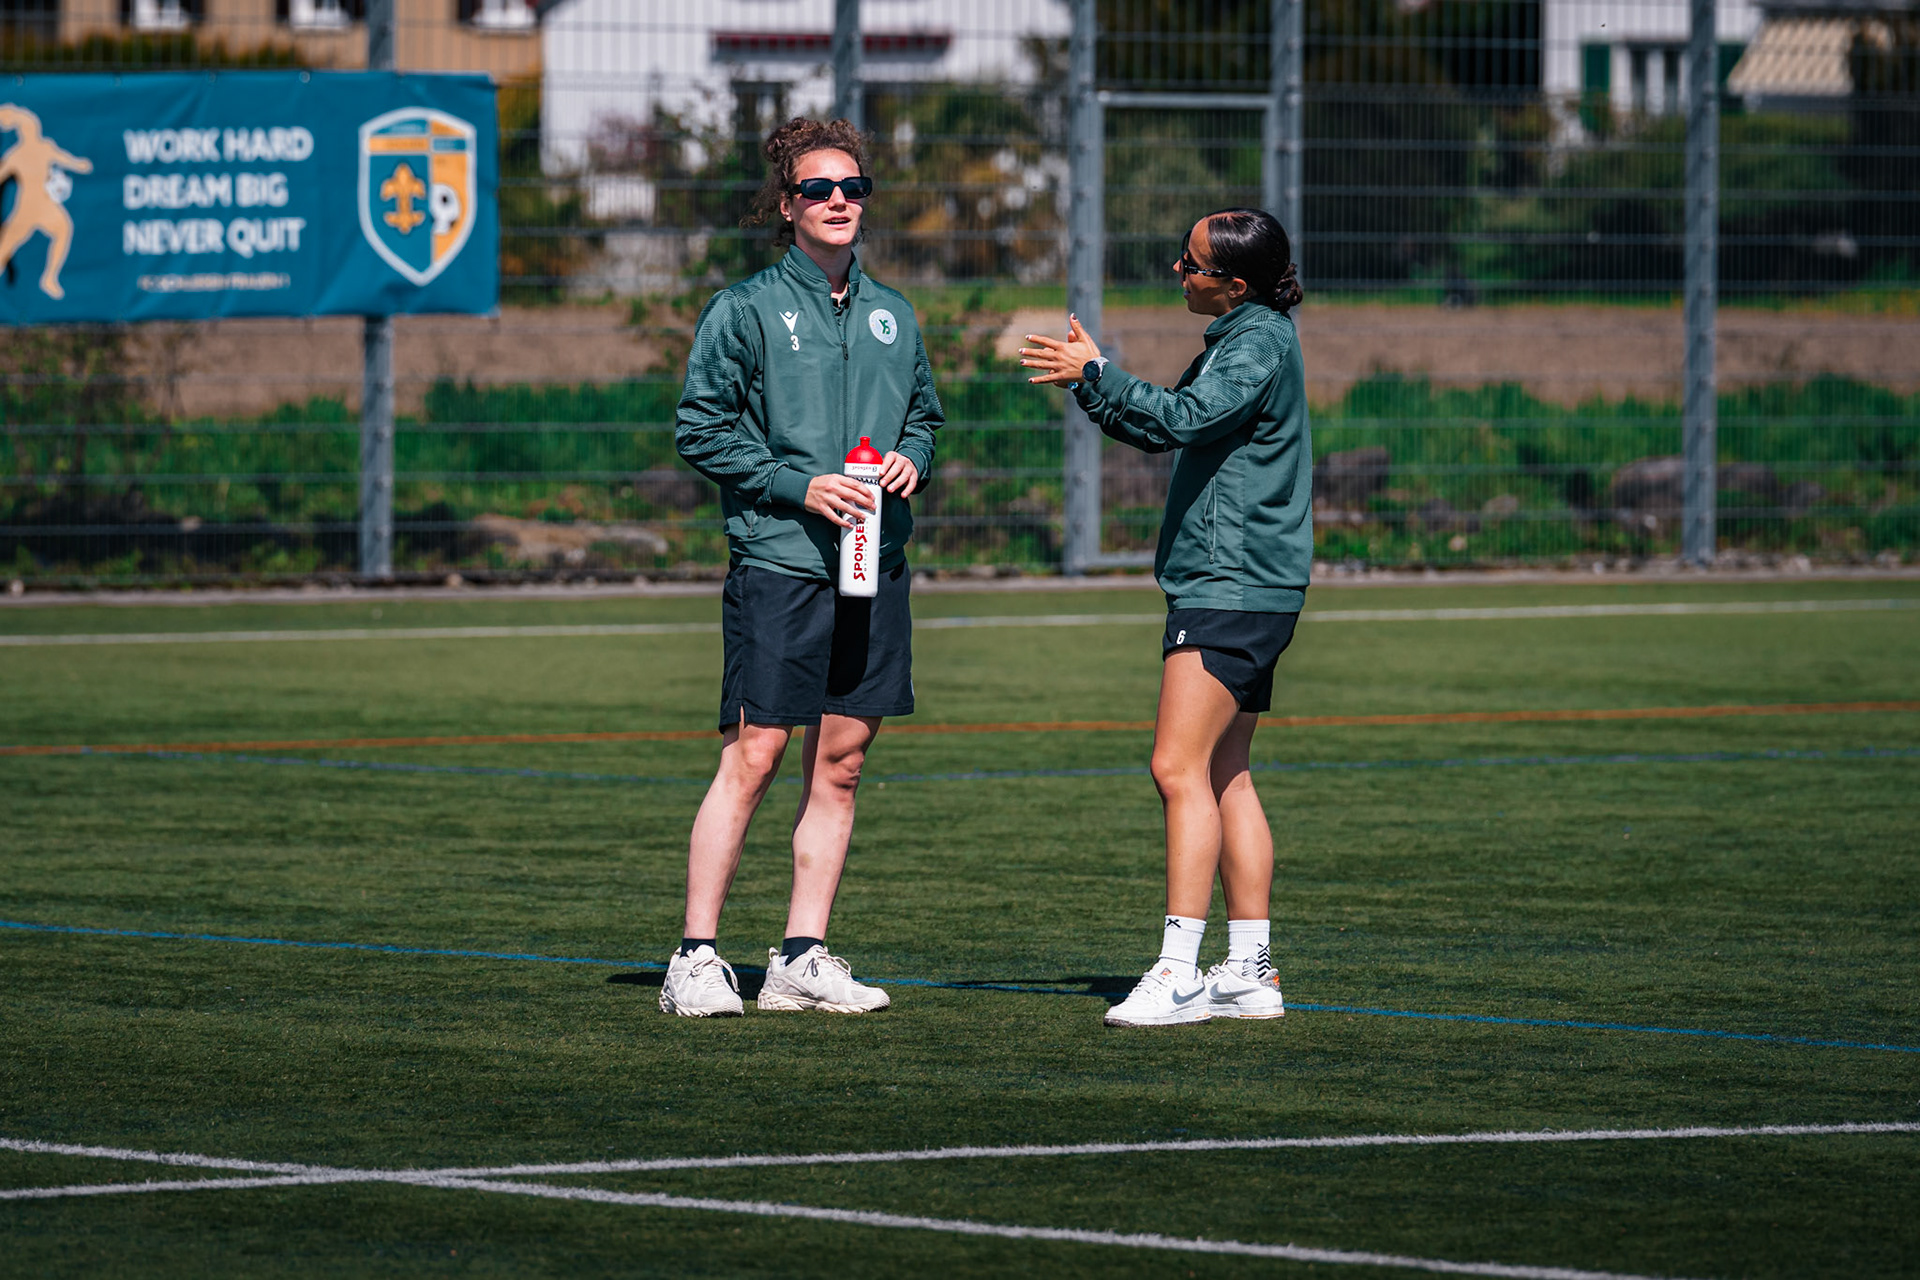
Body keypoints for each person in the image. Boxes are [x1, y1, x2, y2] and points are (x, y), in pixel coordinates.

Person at [658, 117, 942, 1017]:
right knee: (757, 752)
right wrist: (796, 484)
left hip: (873, 567)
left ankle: (800, 958)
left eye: (852, 189)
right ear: (786, 207)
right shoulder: (741, 309)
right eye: (818, 189)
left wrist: (912, 462)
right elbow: (698, 428)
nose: (837, 202)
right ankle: (695, 957)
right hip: (779, 564)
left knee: (844, 763)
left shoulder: (896, 313)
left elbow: (926, 419)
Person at [1018, 208, 1310, 1028]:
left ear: (1235, 283)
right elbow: (1162, 429)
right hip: (1249, 583)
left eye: (1188, 264)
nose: (1177, 274)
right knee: (1226, 774)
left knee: (1176, 768)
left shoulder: (1254, 343)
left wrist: (1099, 369)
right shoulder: (1247, 336)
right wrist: (1090, 383)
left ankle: (1178, 971)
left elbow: (1181, 419)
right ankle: (1250, 971)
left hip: (1231, 583)